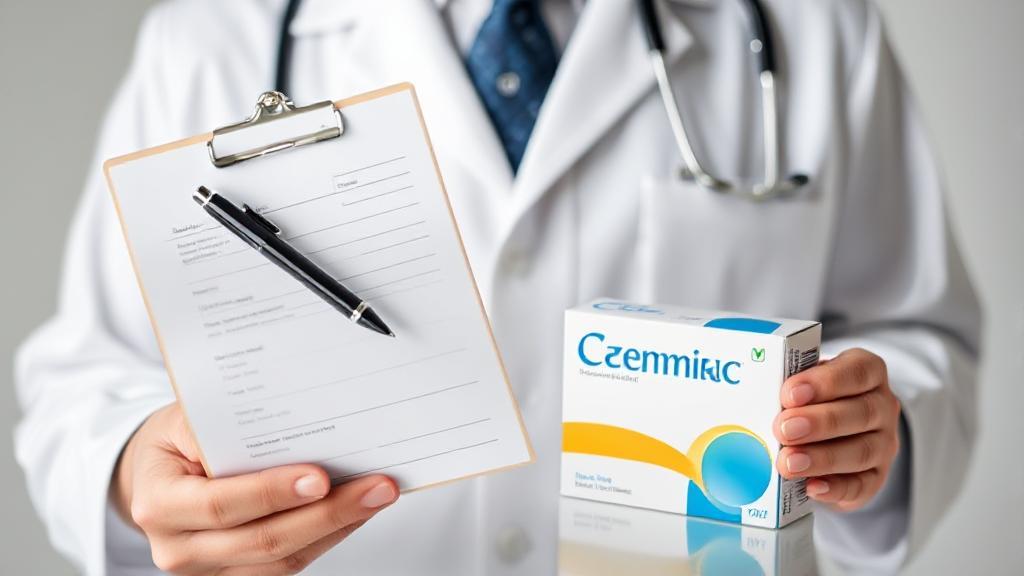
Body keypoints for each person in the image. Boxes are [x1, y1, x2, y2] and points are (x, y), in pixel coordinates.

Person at [15, 0, 980, 574]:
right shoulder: (219, 35)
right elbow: (83, 380)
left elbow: (918, 335)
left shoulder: (806, 25)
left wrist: (875, 435)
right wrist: (132, 472)